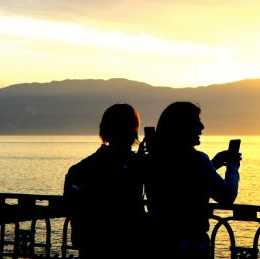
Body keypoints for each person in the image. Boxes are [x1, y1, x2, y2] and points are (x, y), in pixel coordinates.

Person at [144, 101, 241, 258]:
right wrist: (233, 167)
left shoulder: (152, 160)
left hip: (158, 244)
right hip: (192, 246)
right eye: (196, 121)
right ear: (183, 126)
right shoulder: (197, 160)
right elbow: (227, 195)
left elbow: (181, 179)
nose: (201, 127)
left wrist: (212, 165)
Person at [63, 103, 146, 259]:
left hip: (92, 247)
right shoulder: (137, 166)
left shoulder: (81, 169)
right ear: (134, 131)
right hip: (128, 246)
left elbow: (72, 208)